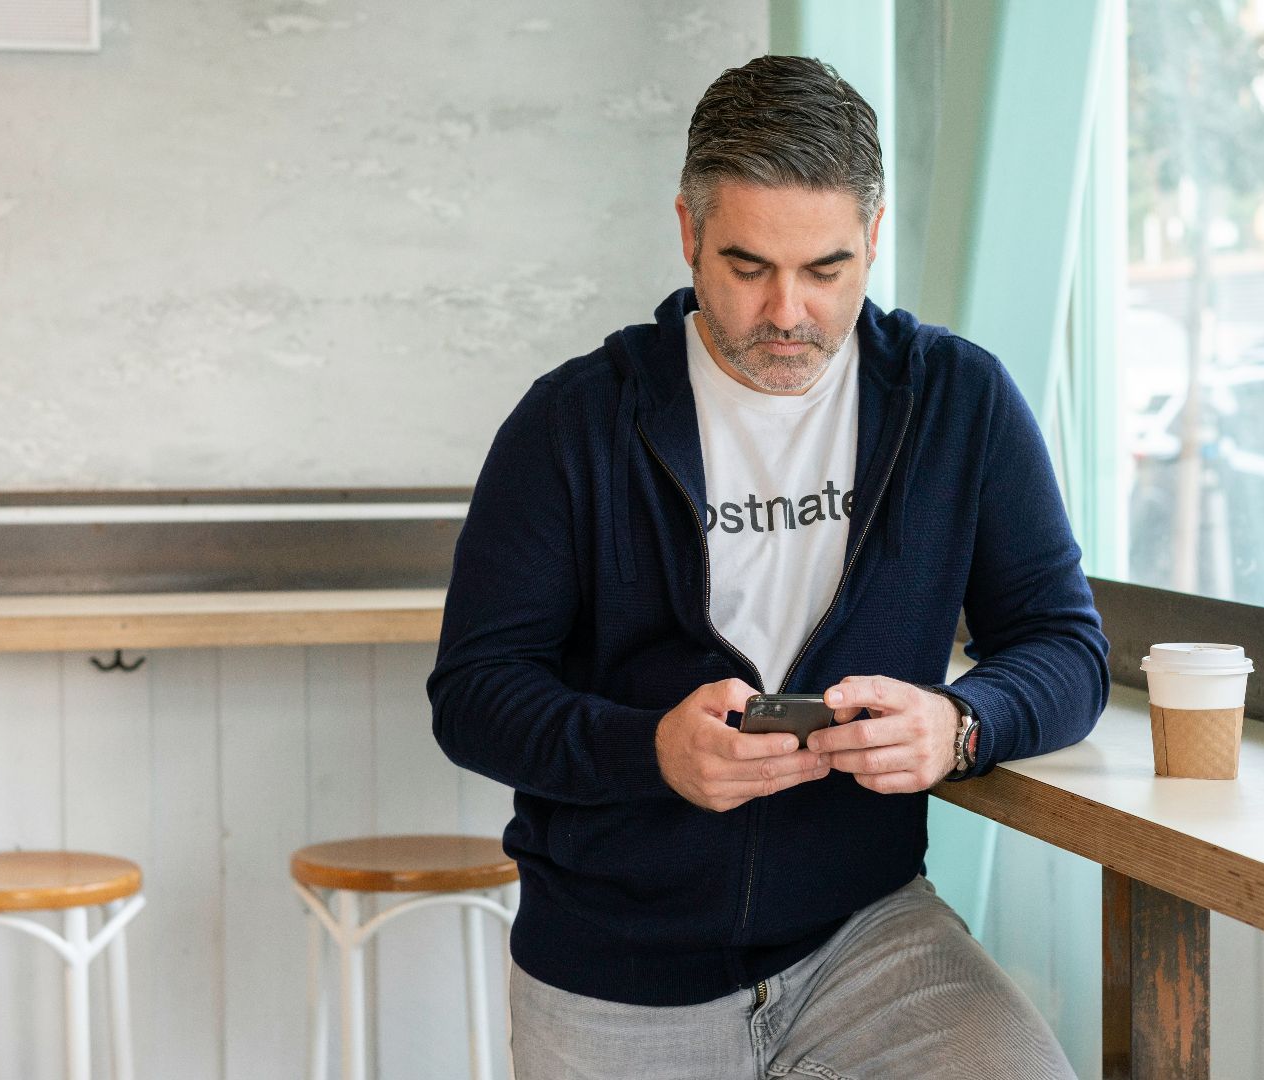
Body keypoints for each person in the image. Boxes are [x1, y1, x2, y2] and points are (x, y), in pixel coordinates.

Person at [428, 54, 1109, 1079]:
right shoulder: (573, 423)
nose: (789, 312)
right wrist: (650, 750)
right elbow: (473, 695)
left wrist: (962, 724)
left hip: (862, 936)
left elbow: (1066, 649)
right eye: (749, 267)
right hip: (615, 965)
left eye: (827, 269)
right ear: (690, 234)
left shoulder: (957, 402)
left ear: (874, 238)